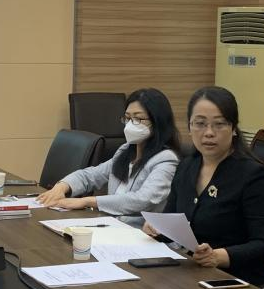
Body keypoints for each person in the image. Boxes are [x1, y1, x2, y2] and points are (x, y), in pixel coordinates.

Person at [145, 86, 264, 286]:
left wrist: (218, 256)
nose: (208, 133)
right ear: (189, 127)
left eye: (219, 124)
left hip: (236, 280)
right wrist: (157, 229)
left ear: (234, 128)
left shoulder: (255, 176)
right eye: (200, 124)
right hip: (191, 272)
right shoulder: (187, 166)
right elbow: (172, 218)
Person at [37, 88, 181, 215]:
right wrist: (62, 186)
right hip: (110, 224)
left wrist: (87, 201)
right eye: (128, 118)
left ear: (158, 122)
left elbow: (142, 199)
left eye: (138, 119)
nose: (130, 125)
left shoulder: (166, 159)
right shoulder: (125, 151)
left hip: (137, 231)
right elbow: (91, 175)